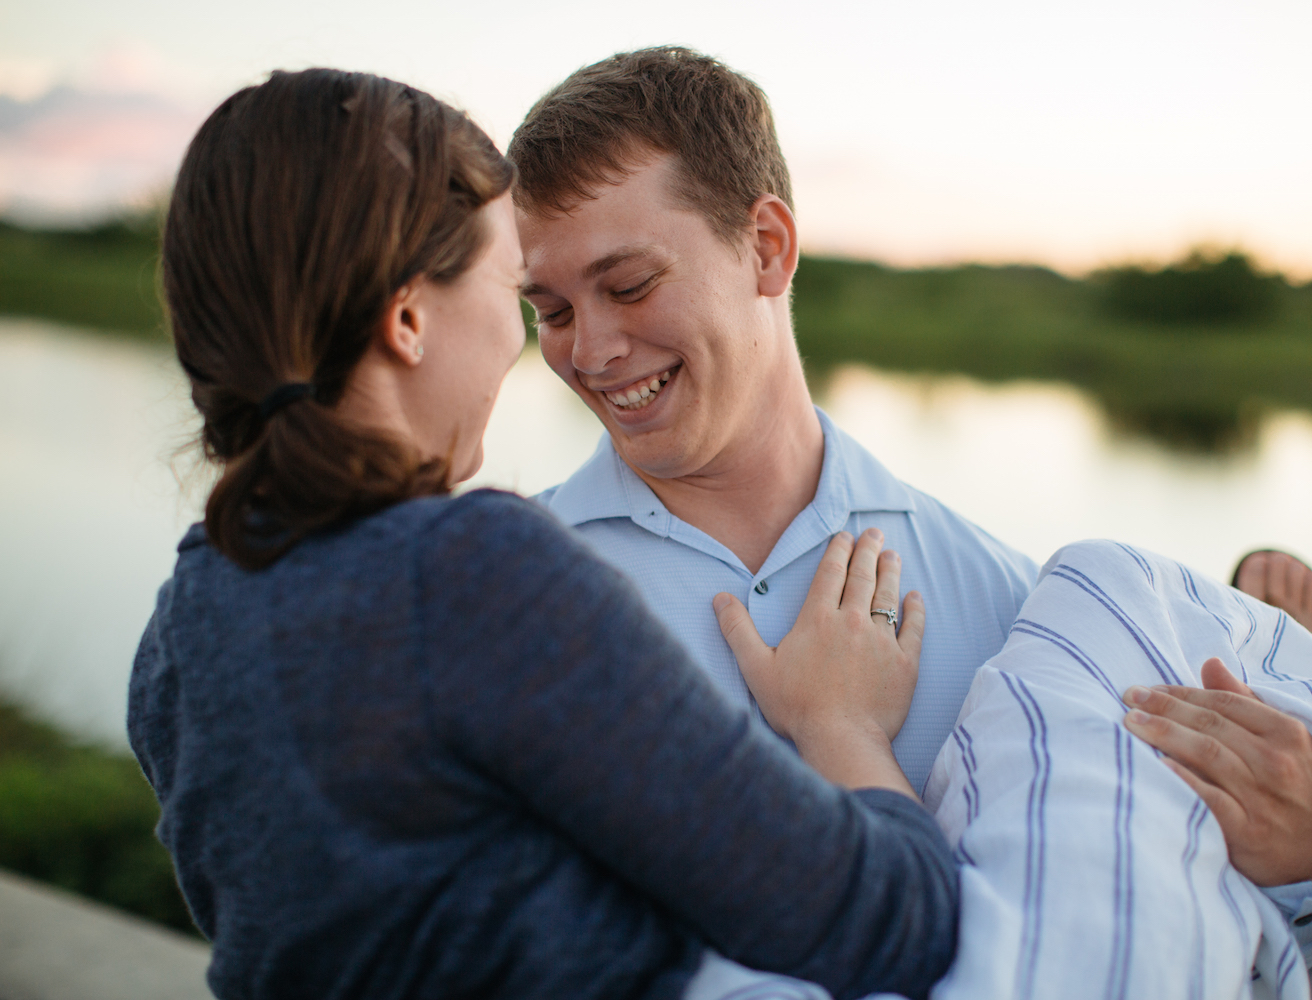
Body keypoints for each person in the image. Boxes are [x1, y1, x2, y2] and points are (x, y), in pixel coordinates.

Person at [509, 48, 1312, 998]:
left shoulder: (1018, 605)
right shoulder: (512, 602)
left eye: (629, 285)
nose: (588, 349)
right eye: (549, 310)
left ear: (767, 248)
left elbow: (1188, 929)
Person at [128, 67, 964, 1000]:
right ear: (407, 318)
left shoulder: (177, 633)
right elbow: (887, 921)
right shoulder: (474, 575)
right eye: (524, 298)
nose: (564, 349)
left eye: (629, 286)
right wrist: (842, 726)